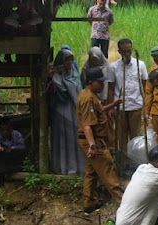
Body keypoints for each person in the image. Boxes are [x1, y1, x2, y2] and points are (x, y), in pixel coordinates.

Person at [76, 67, 124, 213]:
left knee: (92, 171)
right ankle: (122, 200)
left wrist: (113, 105)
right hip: (93, 140)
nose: (102, 85)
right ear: (91, 82)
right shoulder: (87, 99)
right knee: (108, 167)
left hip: (93, 139)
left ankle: (89, 202)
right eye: (99, 82)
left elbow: (99, 110)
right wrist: (92, 145)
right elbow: (87, 125)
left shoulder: (91, 95)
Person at [107, 38, 148, 174]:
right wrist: (111, 106)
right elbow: (111, 88)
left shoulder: (140, 65)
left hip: (136, 105)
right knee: (121, 136)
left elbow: (144, 86)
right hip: (120, 107)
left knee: (135, 136)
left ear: (132, 49)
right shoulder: (114, 67)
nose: (127, 53)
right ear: (119, 51)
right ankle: (124, 164)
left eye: (129, 50)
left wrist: (145, 107)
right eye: (124, 51)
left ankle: (136, 163)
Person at [45, 50, 84, 175]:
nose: (70, 62)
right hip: (60, 110)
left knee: (73, 138)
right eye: (67, 59)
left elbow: (78, 92)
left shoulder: (74, 74)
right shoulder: (54, 76)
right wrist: (50, 78)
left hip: (73, 109)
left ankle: (75, 166)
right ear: (61, 61)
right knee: (61, 138)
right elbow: (47, 92)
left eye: (71, 59)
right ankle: (61, 166)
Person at [0, 118, 26, 184]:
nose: (5, 132)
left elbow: (22, 146)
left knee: (21, 152)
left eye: (7, 130)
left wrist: (12, 148)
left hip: (14, 155)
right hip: (4, 156)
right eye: (2, 130)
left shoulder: (16, 134)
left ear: (11, 129)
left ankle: (16, 167)